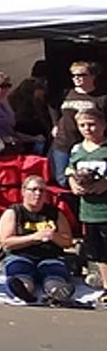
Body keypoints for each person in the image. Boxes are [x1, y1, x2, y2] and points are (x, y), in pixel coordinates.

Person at [0, 175, 78, 306]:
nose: (38, 194)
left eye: (42, 190)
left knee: (54, 274)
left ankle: (57, 293)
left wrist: (54, 236)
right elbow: (6, 243)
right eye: (33, 190)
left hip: (50, 256)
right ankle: (24, 292)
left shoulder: (55, 213)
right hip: (20, 255)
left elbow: (68, 242)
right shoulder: (14, 212)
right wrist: (34, 237)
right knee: (21, 273)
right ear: (23, 192)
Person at [65, 104, 107, 286]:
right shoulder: (77, 150)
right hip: (89, 210)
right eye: (82, 125)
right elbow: (70, 170)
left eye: (91, 124)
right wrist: (73, 183)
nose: (87, 129)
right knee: (98, 251)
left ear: (103, 125)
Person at [50, 61, 104, 185]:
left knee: (87, 179)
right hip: (63, 142)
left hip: (86, 145)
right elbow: (52, 105)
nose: (77, 78)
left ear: (92, 76)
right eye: (74, 75)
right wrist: (55, 123)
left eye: (81, 75)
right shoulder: (66, 93)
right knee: (62, 179)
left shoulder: (100, 98)